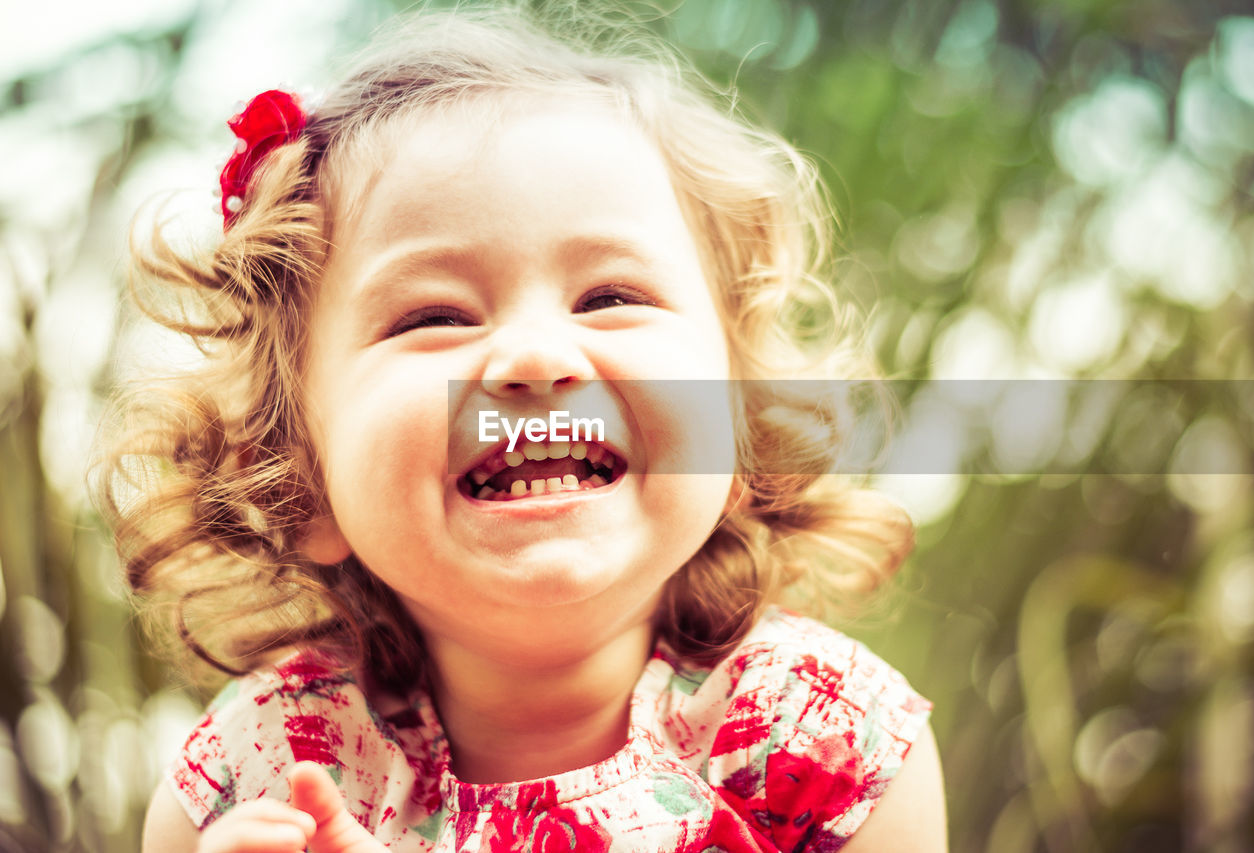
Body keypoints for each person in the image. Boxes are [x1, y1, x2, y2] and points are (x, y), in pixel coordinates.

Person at [99, 5, 946, 851]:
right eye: (432, 315)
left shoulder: (827, 745)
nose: (535, 356)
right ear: (302, 482)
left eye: (611, 298)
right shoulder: (259, 778)